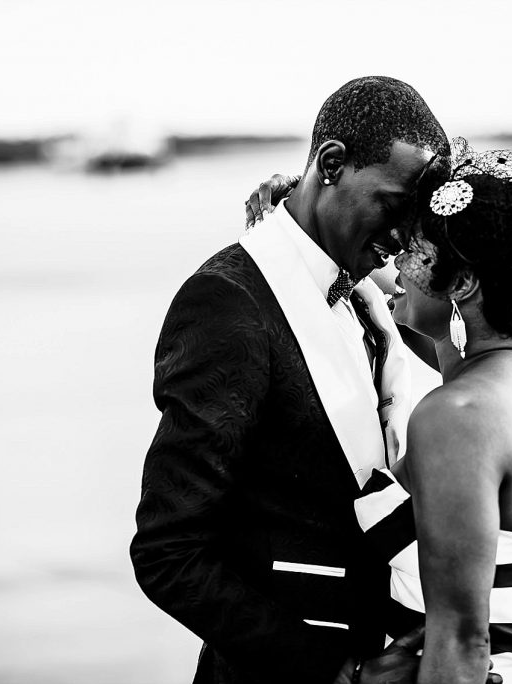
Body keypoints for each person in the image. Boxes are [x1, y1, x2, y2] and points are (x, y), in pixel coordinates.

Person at [131, 76, 452, 684]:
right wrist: (338, 673)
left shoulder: (371, 292)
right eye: (393, 204)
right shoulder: (227, 303)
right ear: (331, 163)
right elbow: (167, 552)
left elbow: (477, 350)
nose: (403, 236)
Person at [353, 139, 512, 683]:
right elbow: (427, 320)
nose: (396, 262)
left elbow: (461, 645)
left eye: (416, 252)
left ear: (465, 283)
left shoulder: (457, 418)